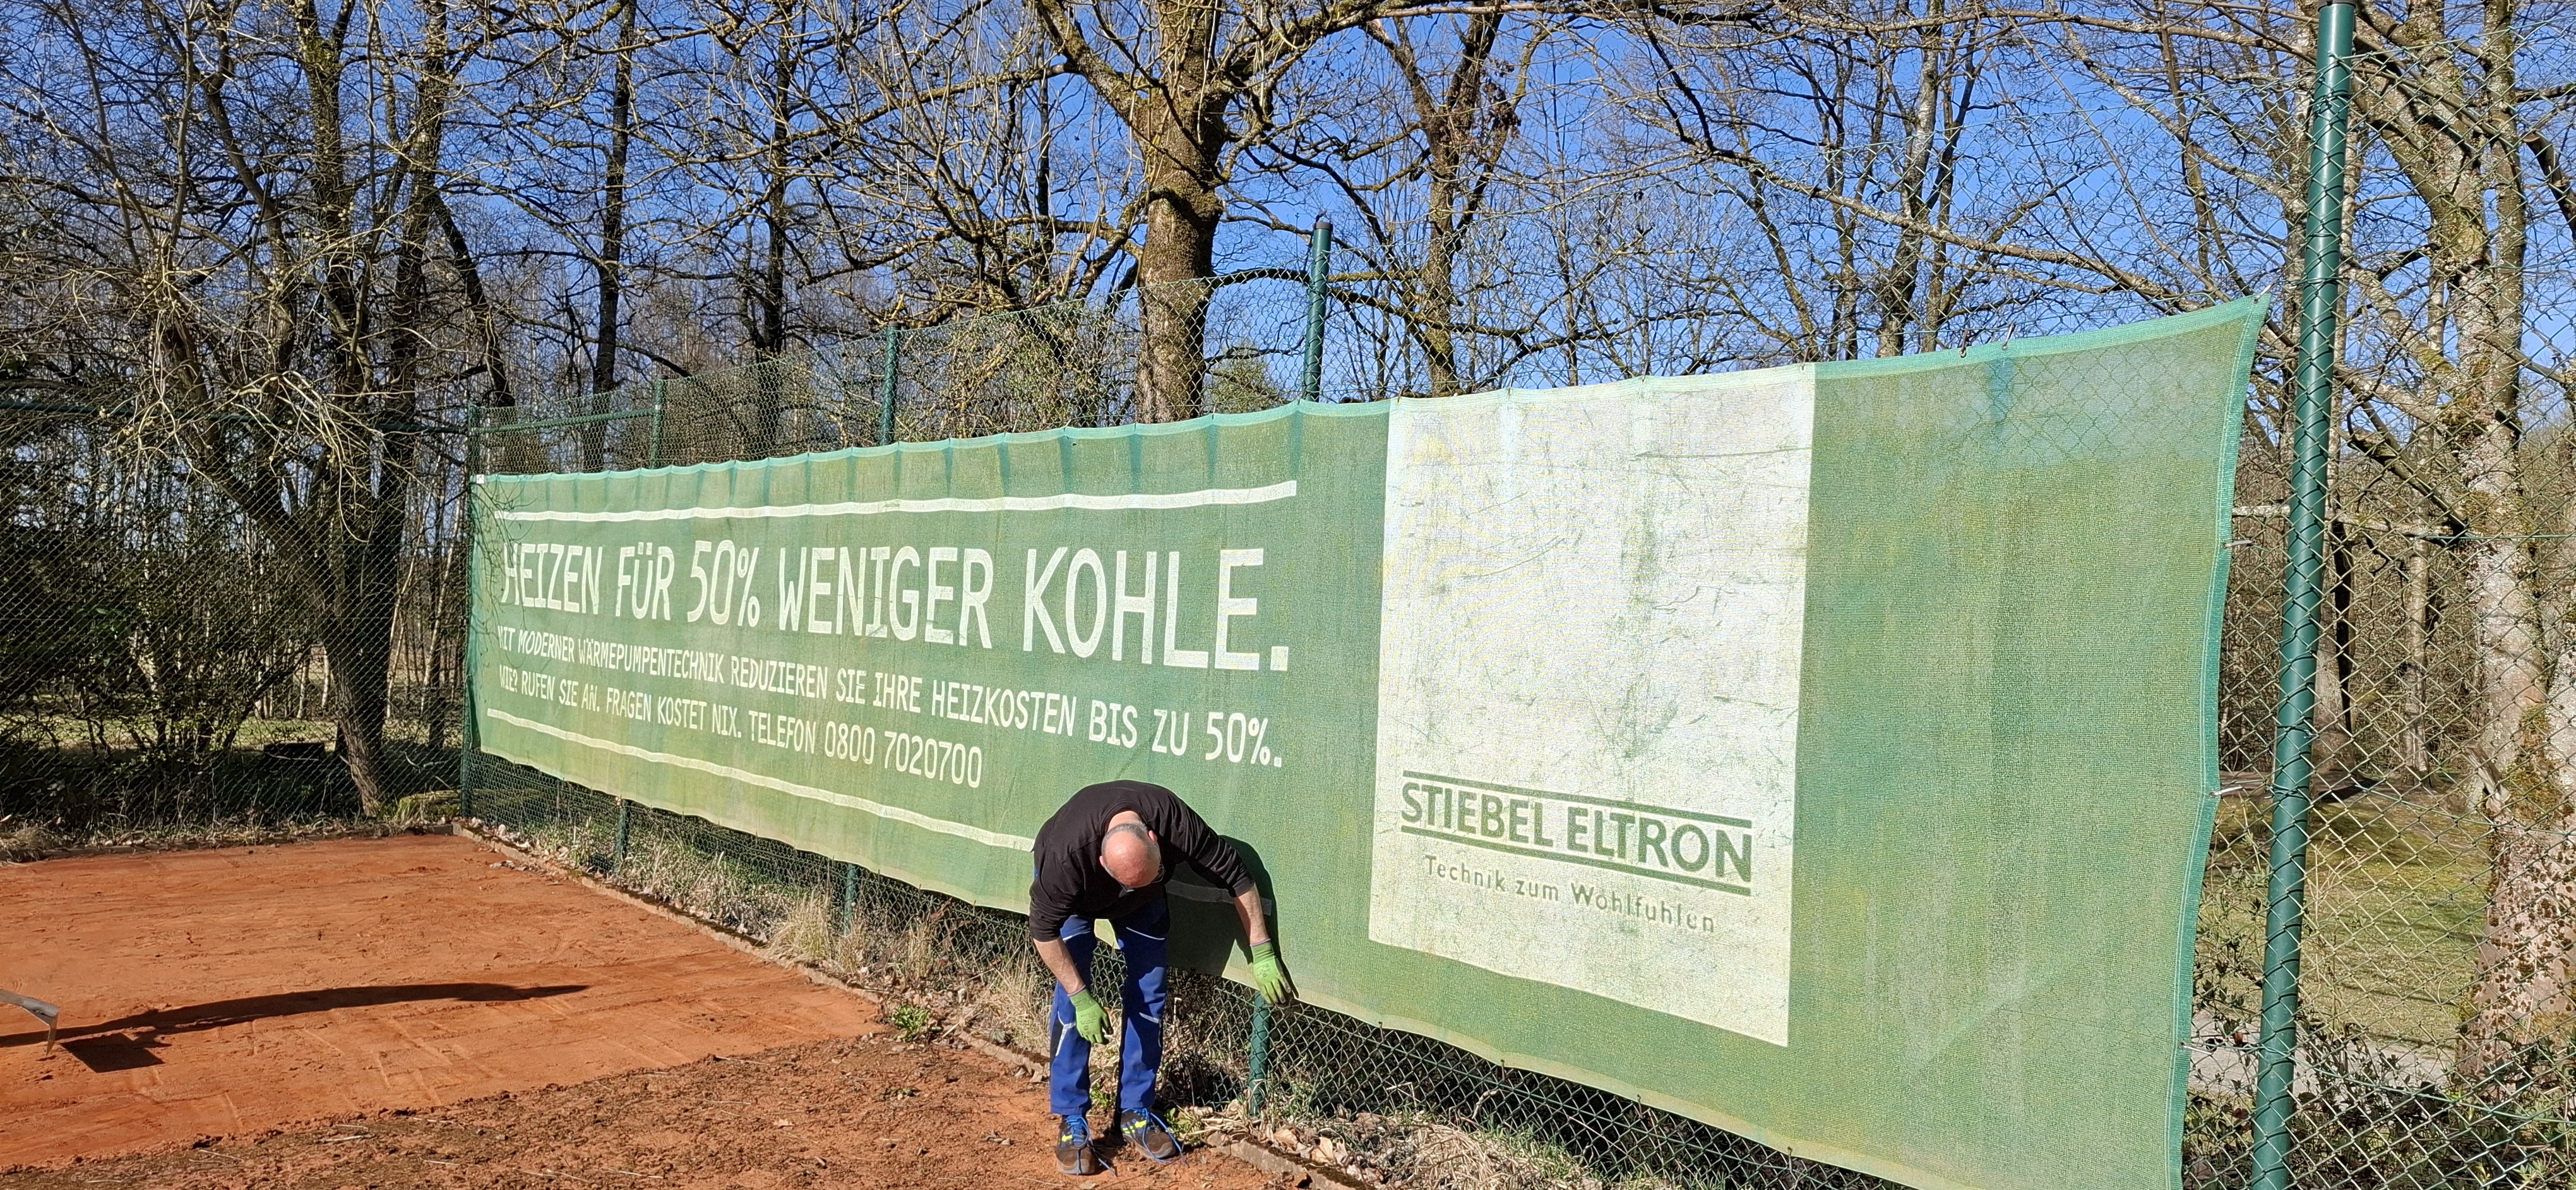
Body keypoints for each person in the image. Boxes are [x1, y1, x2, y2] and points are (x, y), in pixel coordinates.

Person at [1029, 779, 1291, 1175]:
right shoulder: (1064, 858)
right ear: (1103, 863)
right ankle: (1072, 1119)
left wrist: (1262, 949)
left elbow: (1236, 876)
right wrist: (1082, 997)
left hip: (1144, 902)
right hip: (1078, 903)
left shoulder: (1172, 820)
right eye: (1128, 882)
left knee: (1149, 994)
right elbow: (1043, 933)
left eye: (1156, 871)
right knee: (1071, 1003)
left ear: (1154, 839)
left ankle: (1135, 1112)